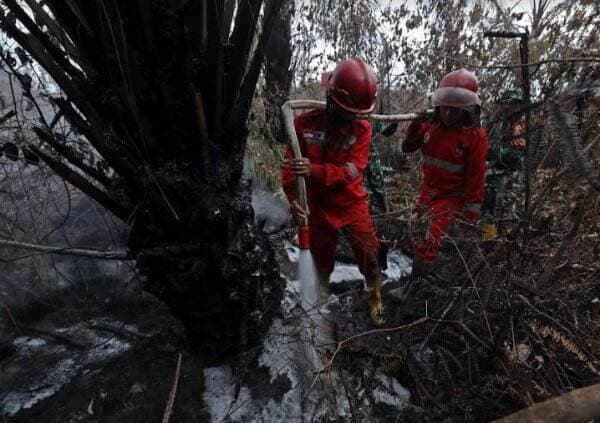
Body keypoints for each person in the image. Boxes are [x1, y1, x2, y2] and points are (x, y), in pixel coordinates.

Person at [281, 57, 385, 325]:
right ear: (331, 99)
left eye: (356, 114)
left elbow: (352, 171)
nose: (350, 119)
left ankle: (375, 297)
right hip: (317, 206)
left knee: (368, 253)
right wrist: (294, 200)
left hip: (350, 204)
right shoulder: (304, 123)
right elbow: (290, 169)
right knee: (321, 261)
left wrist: (314, 170)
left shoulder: (362, 129)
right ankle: (321, 303)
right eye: (346, 112)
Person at [402, 69, 489, 277]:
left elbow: (475, 181)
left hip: (452, 197)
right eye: (445, 109)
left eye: (455, 110)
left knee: (432, 239)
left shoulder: (475, 137)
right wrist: (413, 128)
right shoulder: (429, 126)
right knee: (416, 230)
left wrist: (469, 218)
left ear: (468, 110)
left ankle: (422, 287)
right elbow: (407, 148)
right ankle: (418, 278)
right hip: (429, 191)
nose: (448, 115)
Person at [481, 89, 527, 240]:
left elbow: (515, 154)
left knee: (505, 208)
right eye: (507, 104)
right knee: (488, 204)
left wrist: (493, 151)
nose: (509, 108)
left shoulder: (519, 126)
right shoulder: (500, 123)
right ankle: (488, 238)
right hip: (495, 171)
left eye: (514, 105)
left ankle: (506, 241)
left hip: (510, 174)